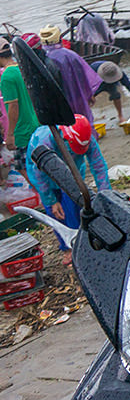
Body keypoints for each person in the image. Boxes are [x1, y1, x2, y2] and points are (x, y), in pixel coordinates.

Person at [25, 115, 109, 266]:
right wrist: (51, 200)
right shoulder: (45, 140)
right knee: (58, 213)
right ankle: (67, 249)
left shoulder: (86, 136)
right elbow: (38, 175)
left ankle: (83, 243)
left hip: (73, 174)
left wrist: (106, 195)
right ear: (64, 138)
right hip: (46, 178)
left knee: (77, 207)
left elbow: (98, 165)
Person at [40, 26, 101, 124]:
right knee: (82, 122)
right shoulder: (70, 55)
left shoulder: (41, 57)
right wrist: (89, 95)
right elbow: (83, 77)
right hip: (76, 98)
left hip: (57, 103)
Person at [1, 37, 39, 168]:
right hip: (35, 124)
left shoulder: (6, 77)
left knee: (25, 168)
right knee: (39, 164)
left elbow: (13, 106)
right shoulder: (21, 68)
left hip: (22, 130)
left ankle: (42, 189)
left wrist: (10, 134)